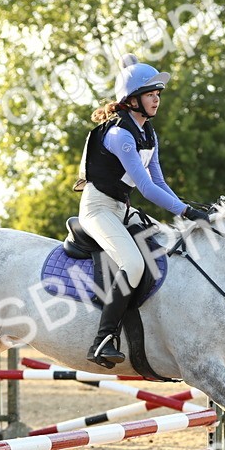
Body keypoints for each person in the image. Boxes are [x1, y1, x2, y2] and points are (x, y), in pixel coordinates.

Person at [75, 54, 209, 368]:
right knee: (133, 264)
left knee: (168, 249)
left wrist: (184, 209)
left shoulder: (148, 133)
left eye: (158, 94)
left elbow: (160, 180)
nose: (156, 100)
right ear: (132, 99)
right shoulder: (119, 134)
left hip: (122, 210)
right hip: (97, 209)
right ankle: (103, 339)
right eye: (151, 94)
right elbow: (147, 188)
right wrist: (186, 212)